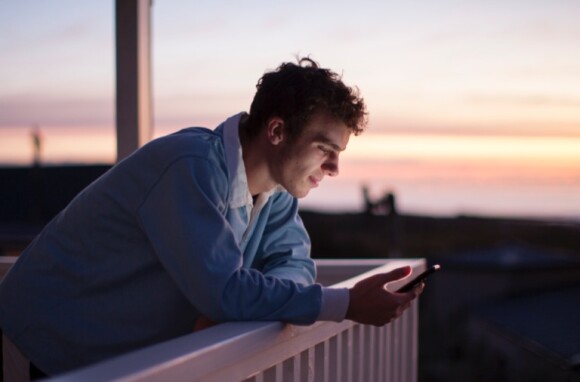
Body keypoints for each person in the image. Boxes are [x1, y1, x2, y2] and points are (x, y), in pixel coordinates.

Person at [0, 57, 423, 378]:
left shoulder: (275, 192)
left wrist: (246, 303)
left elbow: (293, 267)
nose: (333, 168)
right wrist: (345, 302)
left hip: (98, 362)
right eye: (324, 149)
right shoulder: (188, 166)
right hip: (30, 348)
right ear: (276, 132)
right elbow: (222, 291)